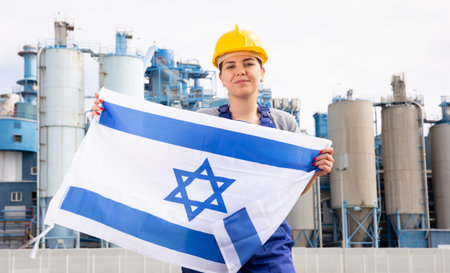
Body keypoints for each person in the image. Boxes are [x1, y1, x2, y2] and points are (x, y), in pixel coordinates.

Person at [93, 25, 334, 273]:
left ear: (261, 71)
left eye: (248, 63)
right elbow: (160, 153)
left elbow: (290, 190)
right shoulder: (203, 121)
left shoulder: (284, 124)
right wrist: (112, 119)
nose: (240, 71)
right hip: (207, 238)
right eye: (230, 66)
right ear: (221, 77)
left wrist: (314, 173)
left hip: (265, 237)